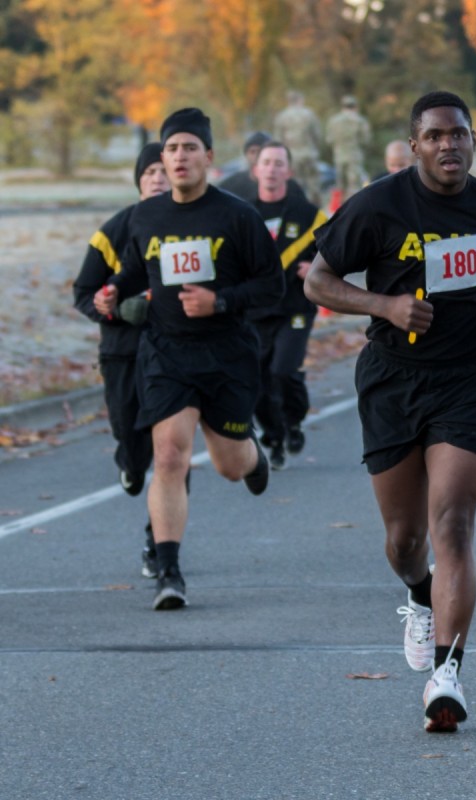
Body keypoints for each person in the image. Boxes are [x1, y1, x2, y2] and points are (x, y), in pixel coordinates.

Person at [304, 90, 476, 734]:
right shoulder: (378, 205)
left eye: (461, 134)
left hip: (466, 378)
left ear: (474, 140)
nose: (450, 145)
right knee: (405, 540)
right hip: (391, 378)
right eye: (436, 135)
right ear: (414, 144)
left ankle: (447, 674)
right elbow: (318, 280)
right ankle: (418, 592)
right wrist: (384, 306)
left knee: (454, 521)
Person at [94, 108, 283, 611]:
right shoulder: (146, 215)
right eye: (170, 149)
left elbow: (272, 286)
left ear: (208, 157)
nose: (178, 157)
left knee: (227, 465)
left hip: (226, 353)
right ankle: (169, 572)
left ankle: (251, 456)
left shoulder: (238, 216)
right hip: (166, 352)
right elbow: (138, 268)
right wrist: (114, 289)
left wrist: (219, 301)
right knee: (170, 456)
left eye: (188, 148)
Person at [73, 143, 169, 578]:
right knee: (130, 437)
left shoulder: (196, 227)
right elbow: (85, 292)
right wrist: (110, 308)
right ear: (139, 179)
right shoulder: (115, 229)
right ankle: (129, 463)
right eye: (149, 171)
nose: (157, 178)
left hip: (174, 354)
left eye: (163, 170)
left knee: (170, 451)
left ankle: (160, 544)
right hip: (122, 352)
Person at [247, 141, 327, 470]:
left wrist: (317, 269)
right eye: (266, 162)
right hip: (255, 311)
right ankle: (274, 434)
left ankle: (293, 421)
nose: (272, 169)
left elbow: (335, 251)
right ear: (256, 170)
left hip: (294, 307)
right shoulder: (243, 215)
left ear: (288, 171)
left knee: (283, 370)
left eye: (279, 163)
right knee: (257, 379)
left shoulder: (307, 214)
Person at [274, 90, 323, 206]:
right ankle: (315, 210)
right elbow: (317, 135)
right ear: (299, 100)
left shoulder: (282, 116)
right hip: (309, 153)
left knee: (295, 183)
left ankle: (298, 208)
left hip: (292, 156)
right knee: (313, 182)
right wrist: (314, 148)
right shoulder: (309, 114)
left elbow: (278, 140)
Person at [326, 95, 371, 202]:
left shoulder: (334, 121)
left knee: (340, 186)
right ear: (355, 106)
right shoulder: (360, 120)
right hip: (354, 156)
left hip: (339, 156)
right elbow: (366, 140)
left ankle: (340, 212)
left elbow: (329, 140)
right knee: (354, 186)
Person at [218, 131, 271, 202]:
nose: (256, 156)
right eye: (252, 152)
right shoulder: (231, 185)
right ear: (246, 155)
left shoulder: (283, 185)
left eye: (261, 151)